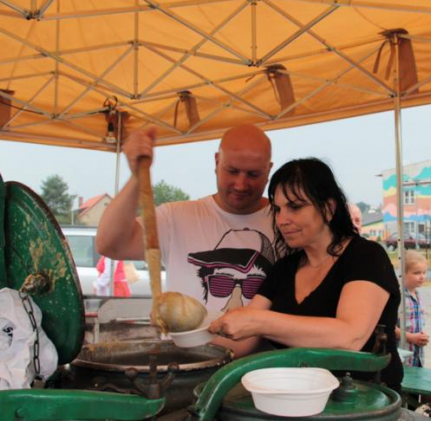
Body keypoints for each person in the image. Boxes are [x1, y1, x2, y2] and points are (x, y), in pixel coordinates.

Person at [209, 158, 403, 390]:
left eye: (295, 207)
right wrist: (186, 337)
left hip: (364, 403)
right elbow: (244, 339)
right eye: (278, 209)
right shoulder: (284, 269)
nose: (282, 220)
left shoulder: (366, 256)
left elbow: (349, 337)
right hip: (296, 399)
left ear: (328, 208)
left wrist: (260, 321)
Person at [96, 125, 277, 344]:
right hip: (183, 366)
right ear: (217, 162)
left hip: (262, 373)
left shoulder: (287, 224)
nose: (240, 184)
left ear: (269, 170)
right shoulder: (176, 217)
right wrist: (137, 177)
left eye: (253, 174)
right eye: (232, 171)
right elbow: (110, 244)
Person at [395, 250, 429, 367]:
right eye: (416, 273)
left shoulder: (417, 295)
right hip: (401, 355)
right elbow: (389, 327)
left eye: (424, 272)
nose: (422, 277)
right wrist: (411, 337)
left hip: (417, 355)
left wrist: (421, 337)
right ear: (403, 273)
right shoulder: (397, 296)